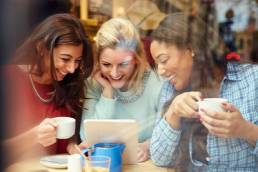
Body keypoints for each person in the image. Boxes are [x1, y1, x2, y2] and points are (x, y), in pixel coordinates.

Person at [149, 13, 258, 171]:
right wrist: (173, 112)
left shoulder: (252, 79)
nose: (160, 71)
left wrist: (246, 130)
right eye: (157, 64)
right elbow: (160, 158)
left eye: (164, 60)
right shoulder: (171, 88)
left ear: (191, 49)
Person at [2, 13, 93, 164]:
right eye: (65, 59)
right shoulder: (9, 80)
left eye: (77, 61)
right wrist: (34, 136)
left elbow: (67, 139)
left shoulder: (70, 83)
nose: (72, 69)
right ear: (41, 48)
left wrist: (73, 148)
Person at [79, 18, 164, 162]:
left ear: (136, 59)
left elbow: (167, 133)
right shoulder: (94, 84)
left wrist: (147, 147)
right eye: (106, 64)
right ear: (98, 60)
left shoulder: (157, 83)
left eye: (123, 64)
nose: (114, 73)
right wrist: (108, 93)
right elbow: (87, 139)